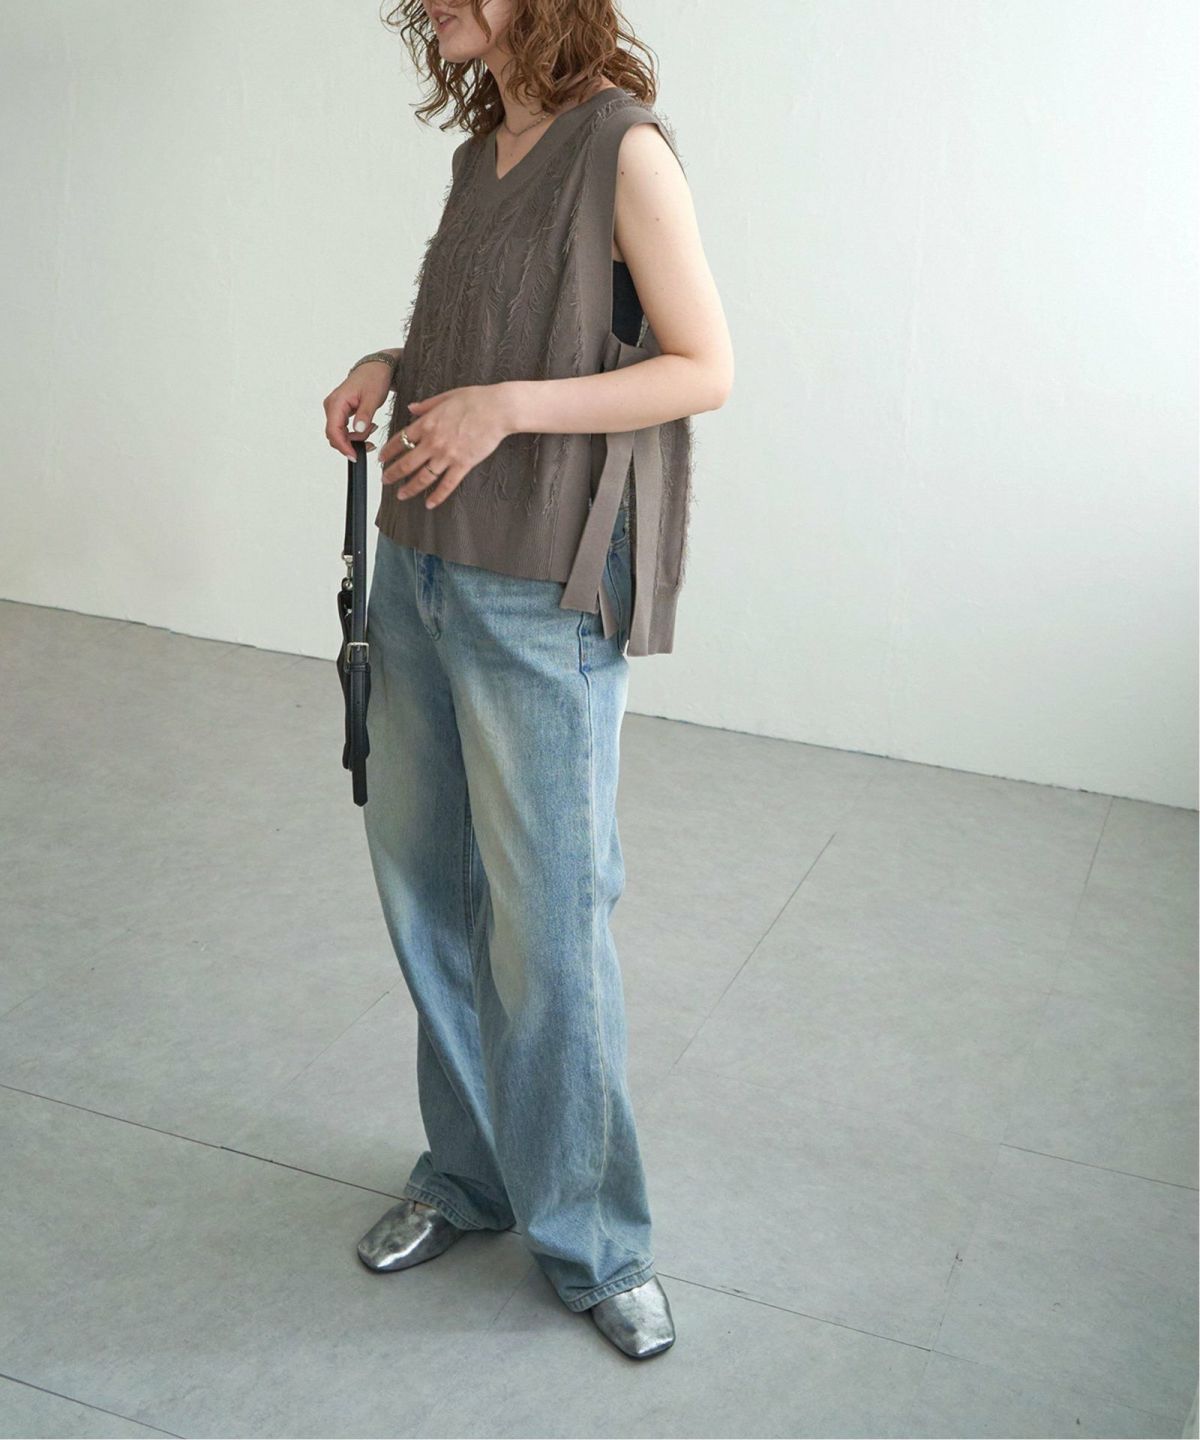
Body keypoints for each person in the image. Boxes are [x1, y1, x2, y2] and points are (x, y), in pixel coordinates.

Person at [321, 0, 732, 1360]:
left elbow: (703, 367)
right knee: (431, 897)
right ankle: (471, 1176)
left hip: (540, 587)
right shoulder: (483, 149)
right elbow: (495, 333)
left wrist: (508, 409)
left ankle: (596, 1240)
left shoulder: (623, 148)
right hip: (421, 566)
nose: (429, 2)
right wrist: (397, 365)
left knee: (548, 925)